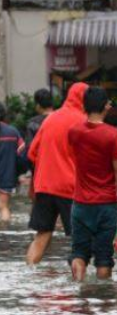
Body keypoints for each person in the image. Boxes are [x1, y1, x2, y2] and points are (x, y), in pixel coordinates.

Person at [26, 82, 88, 265]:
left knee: (42, 235)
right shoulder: (83, 122)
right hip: (70, 188)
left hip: (44, 186)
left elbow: (31, 153)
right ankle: (84, 288)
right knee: (80, 239)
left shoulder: (50, 119)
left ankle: (29, 276)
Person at [67, 86, 117, 281]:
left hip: (80, 204)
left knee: (78, 253)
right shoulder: (113, 135)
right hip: (107, 205)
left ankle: (79, 290)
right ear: (105, 106)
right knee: (104, 259)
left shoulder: (74, 132)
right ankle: (102, 301)